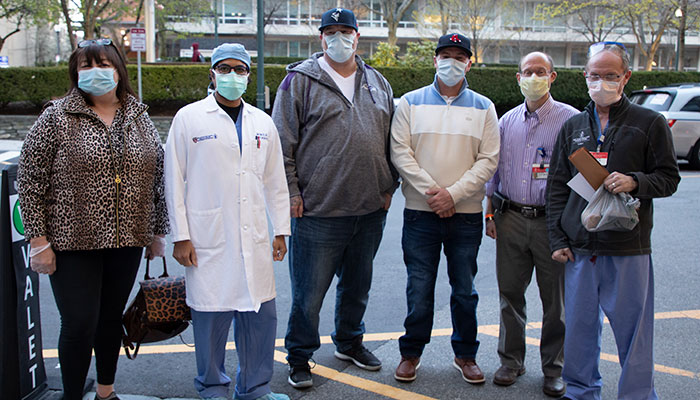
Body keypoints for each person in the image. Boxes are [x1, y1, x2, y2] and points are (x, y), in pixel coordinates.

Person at [17, 38, 168, 400]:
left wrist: (157, 232)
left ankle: (105, 392)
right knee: (79, 323)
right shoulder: (56, 116)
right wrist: (39, 243)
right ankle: (72, 396)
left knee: (109, 318)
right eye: (86, 66)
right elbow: (29, 180)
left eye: (103, 64)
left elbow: (156, 176)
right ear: (75, 72)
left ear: (119, 69)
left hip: (128, 239)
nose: (95, 72)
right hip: (72, 241)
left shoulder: (138, 115)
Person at [271, 7, 398, 389]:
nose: (339, 38)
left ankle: (349, 342)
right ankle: (299, 355)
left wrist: (389, 185)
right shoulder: (298, 81)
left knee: (357, 286)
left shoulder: (377, 81)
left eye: (346, 31)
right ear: (320, 38)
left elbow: (394, 140)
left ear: (358, 37)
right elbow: (282, 143)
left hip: (370, 208)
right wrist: (292, 192)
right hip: (317, 211)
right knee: (309, 295)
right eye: (332, 32)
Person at [545, 42, 680, 400]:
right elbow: (557, 185)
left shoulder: (649, 123)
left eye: (610, 76)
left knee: (634, 334)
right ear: (584, 76)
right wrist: (557, 240)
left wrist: (636, 180)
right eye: (595, 75)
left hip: (628, 247)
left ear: (626, 78)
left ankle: (637, 396)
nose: (601, 82)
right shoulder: (573, 126)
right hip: (580, 248)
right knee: (579, 331)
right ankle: (581, 393)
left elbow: (669, 178)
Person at [165, 43, 291, 400]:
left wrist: (281, 230)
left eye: (240, 69)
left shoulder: (262, 122)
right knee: (210, 321)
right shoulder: (189, 118)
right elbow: (173, 179)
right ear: (212, 73)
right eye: (225, 68)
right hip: (208, 240)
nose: (232, 76)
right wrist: (181, 236)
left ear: (248, 76)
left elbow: (275, 181)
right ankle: (212, 388)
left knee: (260, 321)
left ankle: (254, 389)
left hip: (254, 238)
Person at [390, 33, 499, 384]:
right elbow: (400, 154)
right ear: (435, 59)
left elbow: (489, 160)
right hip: (420, 213)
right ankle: (411, 352)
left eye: (460, 56)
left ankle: (465, 354)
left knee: (464, 289)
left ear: (470, 62)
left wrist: (453, 194)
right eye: (446, 55)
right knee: (419, 287)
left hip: (465, 214)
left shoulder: (484, 107)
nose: (452, 61)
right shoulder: (409, 102)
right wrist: (433, 193)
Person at [484, 51, 577, 397]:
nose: (534, 76)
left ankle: (554, 368)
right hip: (509, 218)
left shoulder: (570, 120)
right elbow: (493, 172)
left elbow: (580, 174)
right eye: (528, 71)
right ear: (518, 78)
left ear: (552, 77)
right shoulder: (506, 121)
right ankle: (511, 361)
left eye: (541, 71)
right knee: (510, 294)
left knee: (555, 302)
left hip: (551, 224)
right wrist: (490, 213)